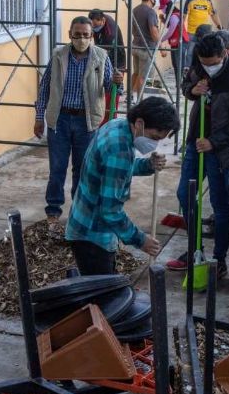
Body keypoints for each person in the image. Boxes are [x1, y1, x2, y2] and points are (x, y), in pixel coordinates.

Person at [166, 34, 229, 279]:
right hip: (196, 139)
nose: (207, 67)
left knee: (219, 203)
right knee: (185, 193)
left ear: (225, 54)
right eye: (204, 62)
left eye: (212, 62)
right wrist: (193, 90)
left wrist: (214, 141)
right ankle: (195, 251)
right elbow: (185, 87)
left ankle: (219, 260)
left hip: (223, 149)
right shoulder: (198, 61)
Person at [66, 97, 179, 275]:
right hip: (93, 236)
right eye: (155, 137)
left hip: (85, 225)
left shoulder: (118, 126)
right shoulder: (118, 149)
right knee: (101, 298)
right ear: (140, 123)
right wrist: (141, 240)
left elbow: (116, 170)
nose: (154, 144)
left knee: (101, 294)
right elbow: (110, 211)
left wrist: (147, 165)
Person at [34, 17, 124, 227]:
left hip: (87, 121)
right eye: (77, 35)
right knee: (57, 168)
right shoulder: (58, 56)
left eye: (86, 35)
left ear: (91, 36)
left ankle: (79, 209)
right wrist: (39, 117)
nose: (81, 39)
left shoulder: (101, 57)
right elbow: (45, 88)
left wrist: (117, 83)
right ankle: (53, 211)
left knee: (82, 168)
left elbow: (113, 89)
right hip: (60, 120)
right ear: (70, 35)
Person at [89, 9, 126, 124]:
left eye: (96, 25)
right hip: (104, 60)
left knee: (111, 96)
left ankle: (109, 123)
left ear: (103, 20)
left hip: (116, 63)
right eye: (92, 25)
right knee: (100, 95)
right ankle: (100, 122)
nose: (94, 28)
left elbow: (102, 53)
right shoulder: (99, 22)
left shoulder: (111, 33)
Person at [130, 0, 161, 103]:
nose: (155, 1)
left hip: (135, 46)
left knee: (136, 73)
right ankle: (141, 100)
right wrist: (161, 47)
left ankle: (130, 96)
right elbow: (153, 31)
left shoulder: (135, 10)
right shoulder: (150, 12)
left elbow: (133, 29)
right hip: (147, 48)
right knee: (145, 76)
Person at [183, 0, 222, 71]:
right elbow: (184, 16)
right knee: (190, 52)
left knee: (205, 51)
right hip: (192, 32)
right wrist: (182, 30)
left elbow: (213, 14)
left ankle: (204, 69)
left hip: (205, 33)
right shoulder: (190, 1)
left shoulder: (208, 1)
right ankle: (188, 70)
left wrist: (219, 26)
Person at [158, 0, 188, 88]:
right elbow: (169, 26)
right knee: (176, 64)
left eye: (163, 8)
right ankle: (178, 83)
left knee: (179, 64)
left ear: (167, 6)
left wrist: (160, 40)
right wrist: (163, 20)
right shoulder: (172, 15)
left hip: (180, 42)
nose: (162, 10)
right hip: (175, 42)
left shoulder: (174, 16)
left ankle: (181, 83)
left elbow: (171, 31)